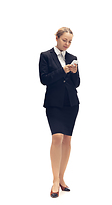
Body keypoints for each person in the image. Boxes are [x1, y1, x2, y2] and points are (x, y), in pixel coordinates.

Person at [39, 27, 80, 198]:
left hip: (71, 103)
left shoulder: (72, 58)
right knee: (57, 137)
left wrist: (74, 73)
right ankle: (55, 180)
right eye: (64, 40)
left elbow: (77, 83)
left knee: (67, 140)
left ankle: (62, 178)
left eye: (70, 41)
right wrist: (62, 70)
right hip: (54, 103)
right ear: (56, 38)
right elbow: (44, 79)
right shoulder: (46, 56)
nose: (67, 44)